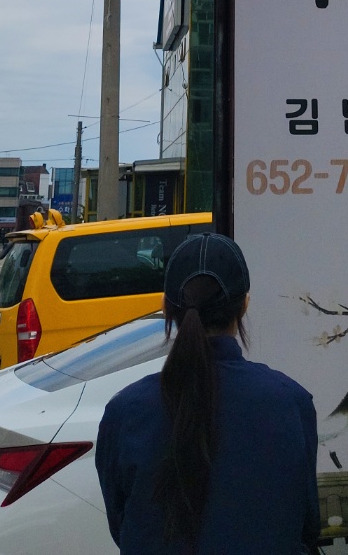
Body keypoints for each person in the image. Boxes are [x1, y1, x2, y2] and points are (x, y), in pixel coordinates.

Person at [95, 232, 320, 555]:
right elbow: (306, 525)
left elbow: (122, 525)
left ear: (166, 308)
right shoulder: (292, 403)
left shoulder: (125, 412)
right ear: (244, 305)